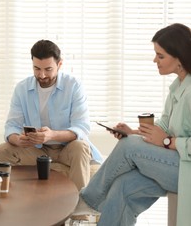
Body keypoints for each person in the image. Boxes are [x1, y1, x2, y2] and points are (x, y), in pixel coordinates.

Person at [73, 23, 191, 226]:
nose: (155, 60)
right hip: (173, 163)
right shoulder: (177, 87)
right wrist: (134, 132)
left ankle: (87, 201)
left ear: (179, 57)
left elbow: (166, 137)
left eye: (160, 56)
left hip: (184, 169)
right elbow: (164, 126)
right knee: (123, 186)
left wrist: (165, 141)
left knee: (128, 147)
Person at [0, 39, 103, 191]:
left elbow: (81, 128)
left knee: (81, 146)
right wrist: (18, 139)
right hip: (38, 150)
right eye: (37, 68)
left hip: (68, 149)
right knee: (3, 150)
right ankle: (30, 195)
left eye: (48, 69)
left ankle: (79, 212)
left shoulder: (73, 86)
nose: (42, 75)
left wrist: (52, 135)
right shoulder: (22, 88)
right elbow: (12, 126)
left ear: (59, 64)